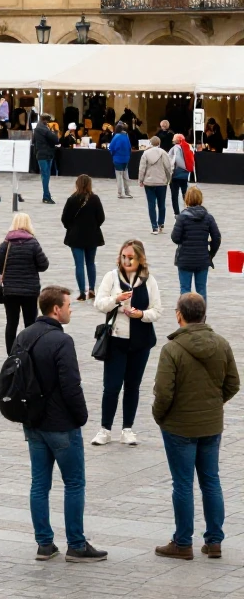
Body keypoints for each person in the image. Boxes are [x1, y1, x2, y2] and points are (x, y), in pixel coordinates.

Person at [16, 285, 107, 563]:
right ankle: (76, 544)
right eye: (68, 306)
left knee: (39, 484)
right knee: (74, 483)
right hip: (61, 425)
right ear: (56, 309)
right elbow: (71, 386)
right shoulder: (61, 341)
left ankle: (44, 544)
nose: (70, 310)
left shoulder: (23, 336)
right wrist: (81, 417)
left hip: (33, 422)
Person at [153, 293, 240, 560]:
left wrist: (160, 416)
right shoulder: (222, 344)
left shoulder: (172, 349)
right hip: (211, 425)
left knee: (182, 484)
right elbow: (233, 384)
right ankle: (214, 541)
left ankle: (182, 542)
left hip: (179, 427)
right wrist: (215, 404)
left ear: (179, 315)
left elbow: (164, 393)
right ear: (204, 314)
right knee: (211, 481)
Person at [90, 239, 162, 448]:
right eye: (124, 256)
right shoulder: (111, 277)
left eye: (131, 257)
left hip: (141, 341)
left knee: (133, 385)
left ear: (140, 259)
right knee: (111, 386)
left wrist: (141, 314)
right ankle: (105, 429)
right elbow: (99, 304)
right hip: (116, 339)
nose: (126, 260)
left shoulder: (149, 281)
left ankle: (127, 429)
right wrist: (116, 299)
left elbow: (157, 310)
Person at [0, 213, 50, 354]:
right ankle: (29, 351)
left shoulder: (6, 243)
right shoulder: (33, 243)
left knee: (11, 322)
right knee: (30, 323)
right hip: (30, 290)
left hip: (10, 290)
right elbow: (44, 265)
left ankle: (11, 354)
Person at [170, 186, 221, 301]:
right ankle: (201, 317)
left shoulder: (182, 217)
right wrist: (210, 253)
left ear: (186, 199)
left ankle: (185, 316)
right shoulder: (208, 218)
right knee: (201, 290)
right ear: (200, 199)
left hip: (185, 259)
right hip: (202, 259)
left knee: (185, 289)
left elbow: (175, 238)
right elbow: (217, 237)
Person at [61, 174, 105, 302]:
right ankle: (91, 289)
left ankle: (81, 292)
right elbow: (101, 217)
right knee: (91, 263)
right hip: (92, 235)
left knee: (79, 265)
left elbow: (65, 218)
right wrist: (94, 226)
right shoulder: (95, 199)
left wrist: (71, 228)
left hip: (76, 237)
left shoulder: (72, 199)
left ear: (77, 184)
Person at [139, 136, 173, 234]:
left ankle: (154, 227)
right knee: (161, 204)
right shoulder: (163, 153)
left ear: (150, 143)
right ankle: (161, 223)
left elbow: (142, 168)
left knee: (151, 204)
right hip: (161, 182)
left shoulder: (145, 153)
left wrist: (141, 180)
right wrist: (168, 179)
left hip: (149, 182)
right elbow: (168, 167)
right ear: (159, 143)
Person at [32, 114, 60, 203]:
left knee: (45, 175)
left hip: (41, 154)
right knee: (46, 176)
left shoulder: (37, 129)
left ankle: (46, 195)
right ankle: (46, 197)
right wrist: (55, 130)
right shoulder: (44, 129)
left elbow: (34, 142)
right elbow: (56, 139)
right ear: (46, 121)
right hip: (46, 155)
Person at [169, 133, 193, 217]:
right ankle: (188, 209)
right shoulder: (188, 147)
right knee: (185, 193)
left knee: (174, 195)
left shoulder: (173, 149)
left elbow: (171, 162)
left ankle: (177, 213)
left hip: (175, 175)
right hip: (185, 174)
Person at [110, 121, 133, 199]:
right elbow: (129, 147)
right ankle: (127, 192)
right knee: (126, 175)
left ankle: (120, 193)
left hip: (117, 158)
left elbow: (111, 147)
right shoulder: (126, 136)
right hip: (126, 158)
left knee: (119, 176)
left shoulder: (116, 136)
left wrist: (113, 154)